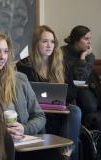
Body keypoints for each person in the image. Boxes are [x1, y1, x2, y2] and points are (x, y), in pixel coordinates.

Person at [17, 25, 81, 160]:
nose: (49, 45)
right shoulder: (24, 65)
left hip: (59, 109)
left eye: (52, 42)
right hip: (36, 110)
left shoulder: (61, 64)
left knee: (75, 111)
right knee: (41, 117)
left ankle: (67, 154)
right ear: (36, 43)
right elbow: (23, 95)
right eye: (44, 41)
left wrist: (60, 100)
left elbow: (72, 92)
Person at [0, 30, 46, 141]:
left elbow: (39, 116)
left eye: (6, 51)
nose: (2, 57)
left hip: (21, 145)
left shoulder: (20, 79)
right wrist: (1, 132)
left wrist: (24, 128)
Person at [61, 25, 98, 120]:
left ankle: (84, 129)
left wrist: (83, 57)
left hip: (83, 87)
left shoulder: (89, 56)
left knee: (91, 106)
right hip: (66, 85)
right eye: (86, 39)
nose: (89, 42)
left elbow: (81, 80)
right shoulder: (61, 53)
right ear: (76, 40)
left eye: (90, 38)